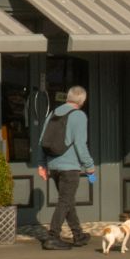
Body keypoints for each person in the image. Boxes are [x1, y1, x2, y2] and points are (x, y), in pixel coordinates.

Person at [34, 84, 98, 250]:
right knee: (65, 201)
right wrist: (90, 166)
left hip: (54, 166)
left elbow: (42, 141)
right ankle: (52, 237)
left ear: (68, 97)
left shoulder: (53, 114)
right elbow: (80, 145)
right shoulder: (79, 116)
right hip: (70, 167)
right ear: (82, 100)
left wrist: (42, 164)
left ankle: (78, 235)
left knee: (67, 200)